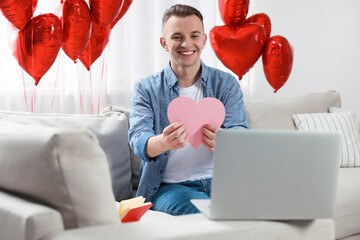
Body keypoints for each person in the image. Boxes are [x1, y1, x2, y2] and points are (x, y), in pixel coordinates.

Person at [128, 4, 249, 216]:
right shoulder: (146, 88)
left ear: (204, 40)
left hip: (223, 183)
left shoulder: (226, 84)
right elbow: (138, 139)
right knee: (205, 214)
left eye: (194, 35)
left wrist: (226, 139)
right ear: (164, 43)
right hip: (170, 188)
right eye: (177, 37)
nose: (187, 44)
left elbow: (242, 132)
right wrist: (163, 142)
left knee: (268, 211)